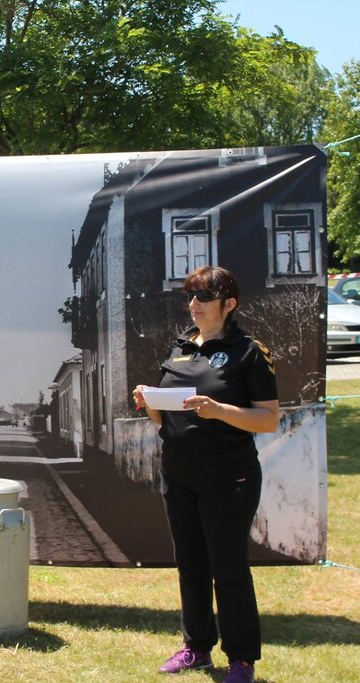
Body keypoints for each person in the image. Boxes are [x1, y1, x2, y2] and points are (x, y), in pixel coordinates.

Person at [131, 266, 278, 683]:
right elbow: (164, 421)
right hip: (180, 475)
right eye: (191, 297)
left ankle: (241, 659)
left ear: (228, 304)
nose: (193, 304)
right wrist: (149, 401)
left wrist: (219, 410)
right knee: (191, 565)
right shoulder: (181, 347)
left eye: (203, 297)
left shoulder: (248, 352)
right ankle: (196, 649)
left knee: (228, 569)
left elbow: (268, 419)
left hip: (228, 478)